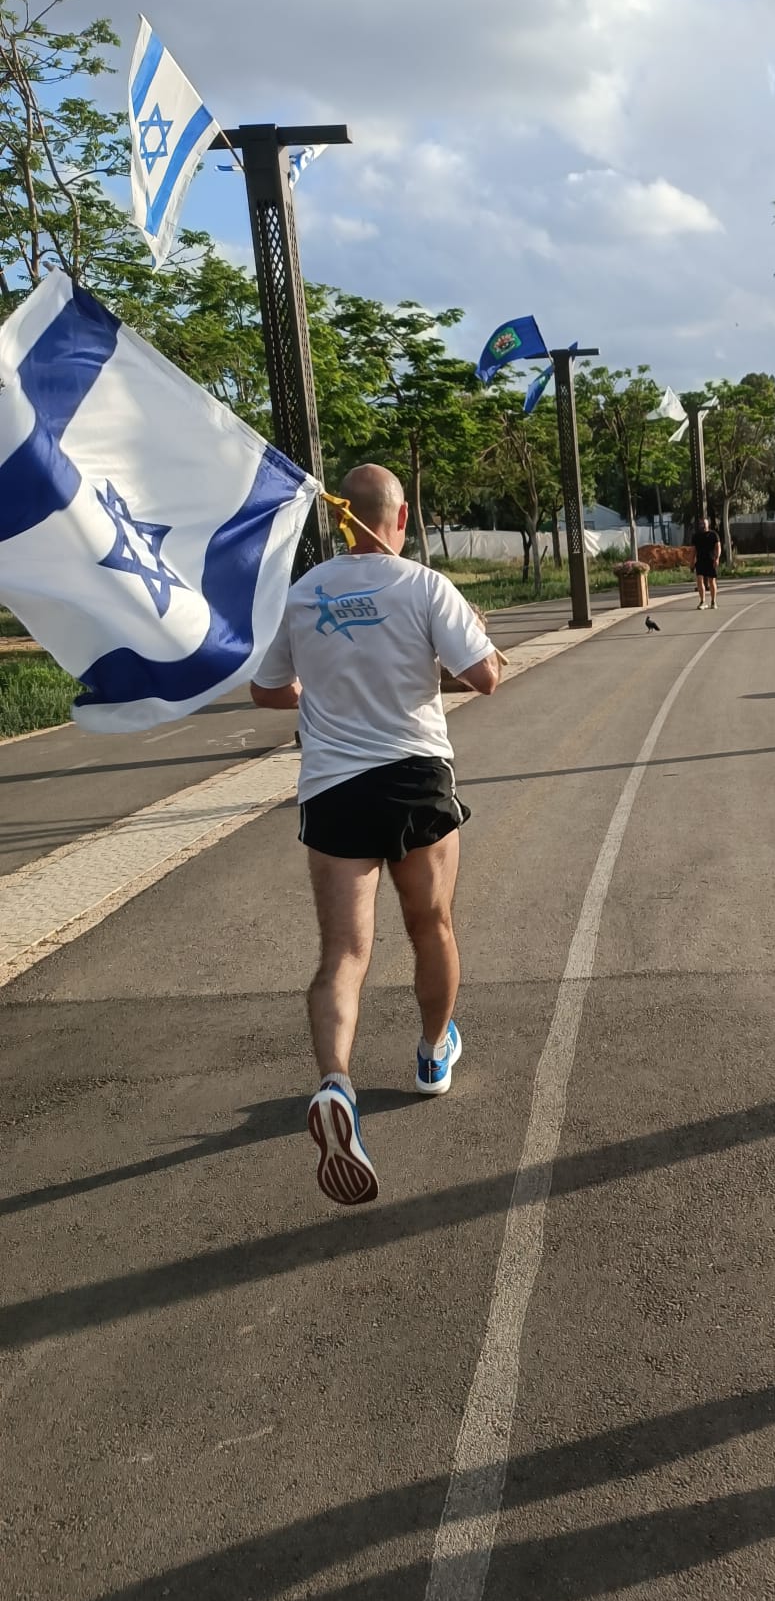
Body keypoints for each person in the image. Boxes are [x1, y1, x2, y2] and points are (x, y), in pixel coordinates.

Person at [250, 464, 501, 1208]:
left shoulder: (304, 593)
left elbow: (268, 690)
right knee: (432, 928)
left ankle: (336, 1084)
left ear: (341, 523)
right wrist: (476, 655)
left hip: (334, 789)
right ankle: (432, 1056)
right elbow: (483, 675)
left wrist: (315, 690)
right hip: (416, 781)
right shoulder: (424, 586)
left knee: (344, 955)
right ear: (399, 518)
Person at [693, 516, 721, 609]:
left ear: (708, 524)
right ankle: (702, 601)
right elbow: (694, 550)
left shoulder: (713, 535)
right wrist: (692, 560)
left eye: (704, 524)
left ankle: (713, 601)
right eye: (701, 524)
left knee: (711, 581)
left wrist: (717, 558)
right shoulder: (696, 536)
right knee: (699, 580)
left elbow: (718, 547)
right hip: (700, 560)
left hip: (710, 560)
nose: (702, 526)